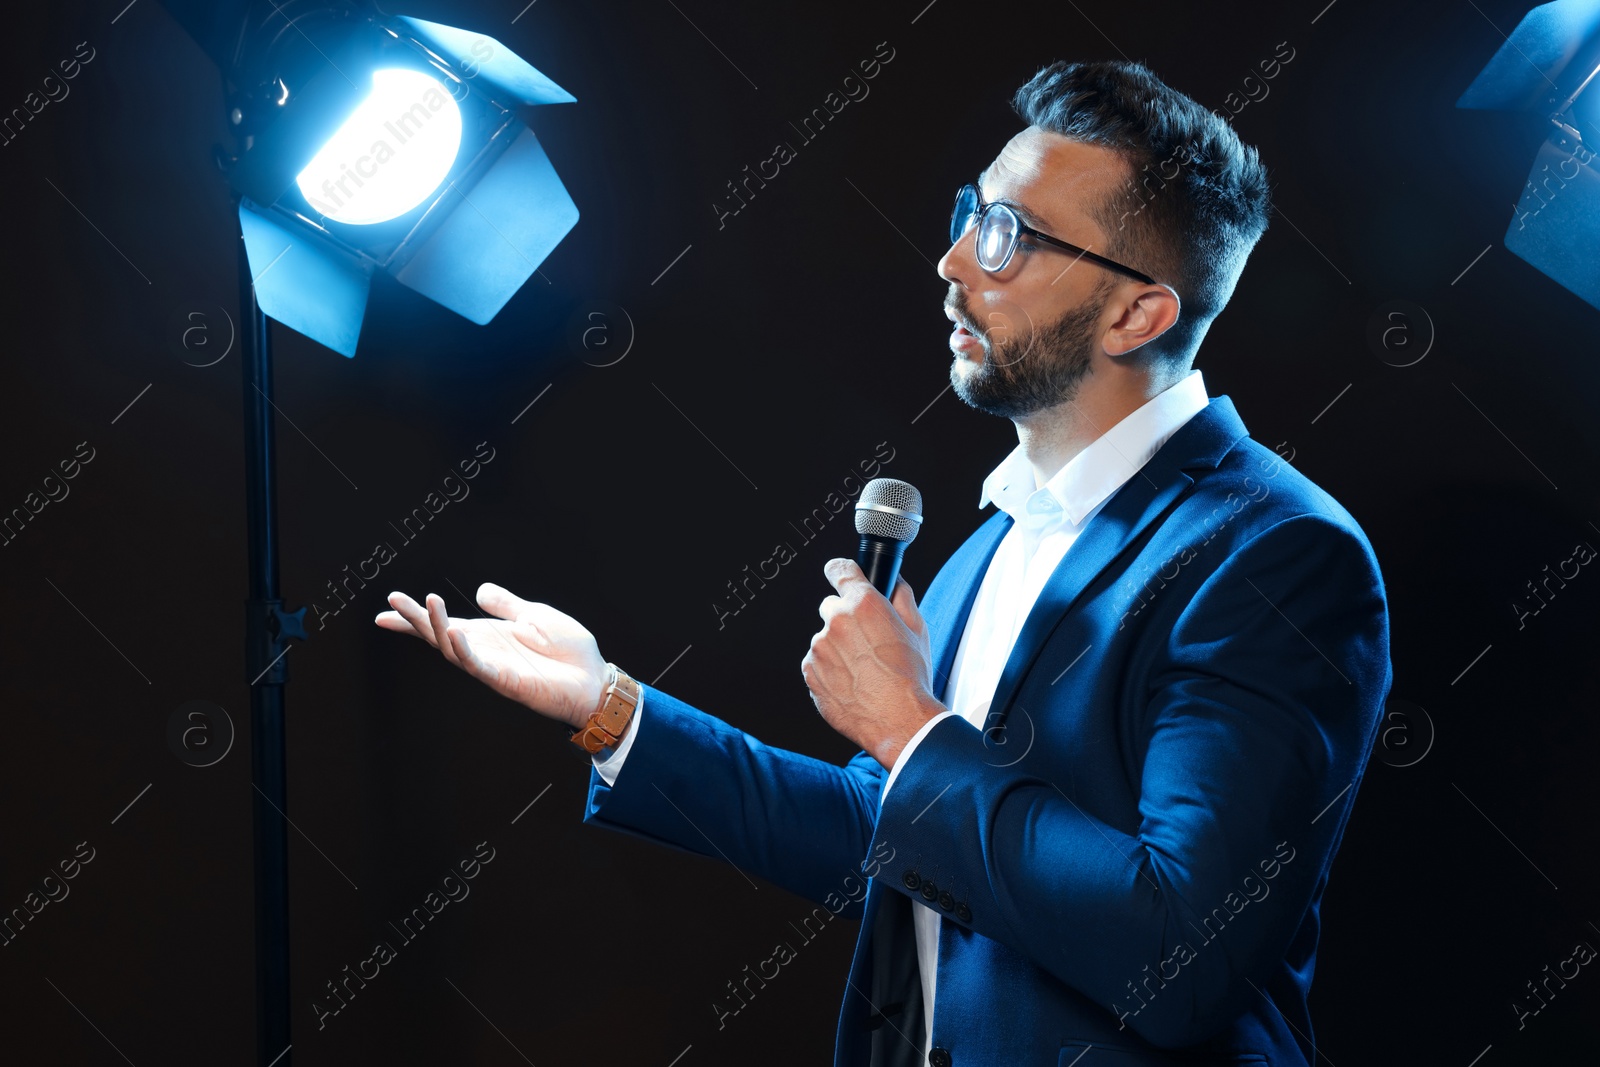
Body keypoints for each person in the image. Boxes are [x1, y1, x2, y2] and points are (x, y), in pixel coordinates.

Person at [377, 59, 1392, 1067]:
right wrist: (607, 703)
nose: (952, 261)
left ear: (1138, 314)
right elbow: (895, 827)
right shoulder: (994, 543)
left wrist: (910, 725)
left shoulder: (1274, 553)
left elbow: (1179, 952)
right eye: (969, 212)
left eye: (1008, 236)